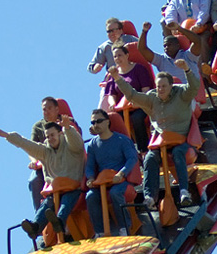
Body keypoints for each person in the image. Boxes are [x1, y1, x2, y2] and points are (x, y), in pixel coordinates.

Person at [109, 62, 199, 208]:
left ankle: (184, 191)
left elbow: (194, 87)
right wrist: (117, 78)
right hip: (161, 141)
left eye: (164, 86)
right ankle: (150, 197)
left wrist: (187, 70)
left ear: (171, 86)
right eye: (158, 86)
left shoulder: (181, 93)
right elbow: (132, 95)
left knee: (177, 153)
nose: (160, 89)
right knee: (150, 158)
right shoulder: (152, 98)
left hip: (182, 140)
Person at [0, 115, 85, 241]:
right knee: (47, 203)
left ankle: (60, 221)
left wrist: (67, 128)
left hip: (74, 189)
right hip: (55, 192)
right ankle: (35, 227)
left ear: (60, 134)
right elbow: (27, 144)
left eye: (52, 135)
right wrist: (8, 136)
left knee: (66, 201)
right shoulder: (45, 152)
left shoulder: (72, 147)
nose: (50, 139)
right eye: (47, 136)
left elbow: (76, 142)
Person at [85, 109, 139, 237]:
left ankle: (125, 228)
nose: (96, 125)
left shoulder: (122, 140)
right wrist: (90, 178)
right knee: (90, 196)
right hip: (102, 182)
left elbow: (132, 158)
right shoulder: (93, 145)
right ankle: (100, 232)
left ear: (107, 122)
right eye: (93, 122)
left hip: (120, 181)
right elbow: (90, 166)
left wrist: (122, 173)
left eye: (99, 121)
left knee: (115, 193)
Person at [27, 97, 81, 210]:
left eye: (49, 108)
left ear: (57, 109)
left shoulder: (67, 121)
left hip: (67, 162)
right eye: (44, 109)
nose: (46, 112)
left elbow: (77, 139)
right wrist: (33, 162)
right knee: (34, 180)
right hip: (46, 165)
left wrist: (66, 127)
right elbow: (31, 148)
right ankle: (40, 215)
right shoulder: (38, 126)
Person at [103, 45, 155, 152]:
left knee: (137, 118)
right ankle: (123, 150)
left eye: (120, 55)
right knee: (114, 121)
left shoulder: (139, 69)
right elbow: (111, 94)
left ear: (127, 55)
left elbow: (146, 90)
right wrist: (112, 104)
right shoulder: (113, 75)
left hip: (140, 105)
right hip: (122, 108)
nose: (118, 58)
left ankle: (143, 150)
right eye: (115, 56)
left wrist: (138, 102)